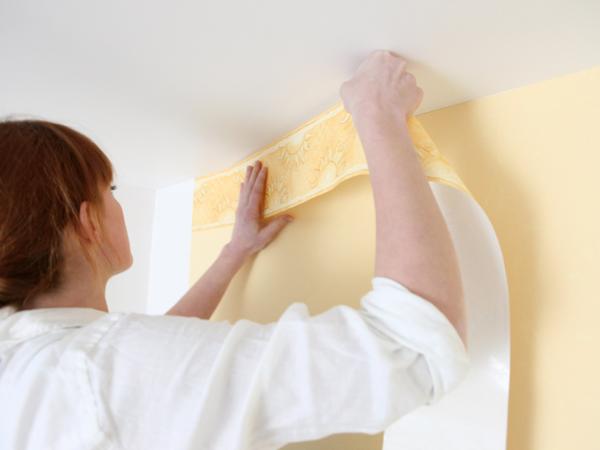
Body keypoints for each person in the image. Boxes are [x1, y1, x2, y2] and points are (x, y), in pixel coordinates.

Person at [0, 49, 469, 449]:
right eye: (111, 190)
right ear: (88, 225)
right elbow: (412, 351)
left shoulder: (27, 361)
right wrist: (379, 114)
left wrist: (234, 252)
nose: (116, 203)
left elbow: (149, 371)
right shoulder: (99, 370)